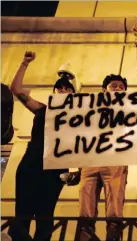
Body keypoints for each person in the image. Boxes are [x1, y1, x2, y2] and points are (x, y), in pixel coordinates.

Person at [8, 51, 76, 241]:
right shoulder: (41, 108)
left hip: (55, 169)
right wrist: (24, 63)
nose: (62, 91)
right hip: (31, 164)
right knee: (23, 214)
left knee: (45, 217)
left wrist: (76, 170)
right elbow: (16, 90)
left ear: (74, 94)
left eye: (66, 89)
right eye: (59, 88)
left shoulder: (79, 118)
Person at [78, 74, 137, 241]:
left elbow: (133, 141)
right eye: (114, 85)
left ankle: (112, 237)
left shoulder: (132, 111)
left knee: (114, 209)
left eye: (121, 86)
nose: (117, 88)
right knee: (85, 208)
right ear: (104, 90)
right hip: (89, 162)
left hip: (116, 162)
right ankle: (85, 236)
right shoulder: (88, 109)